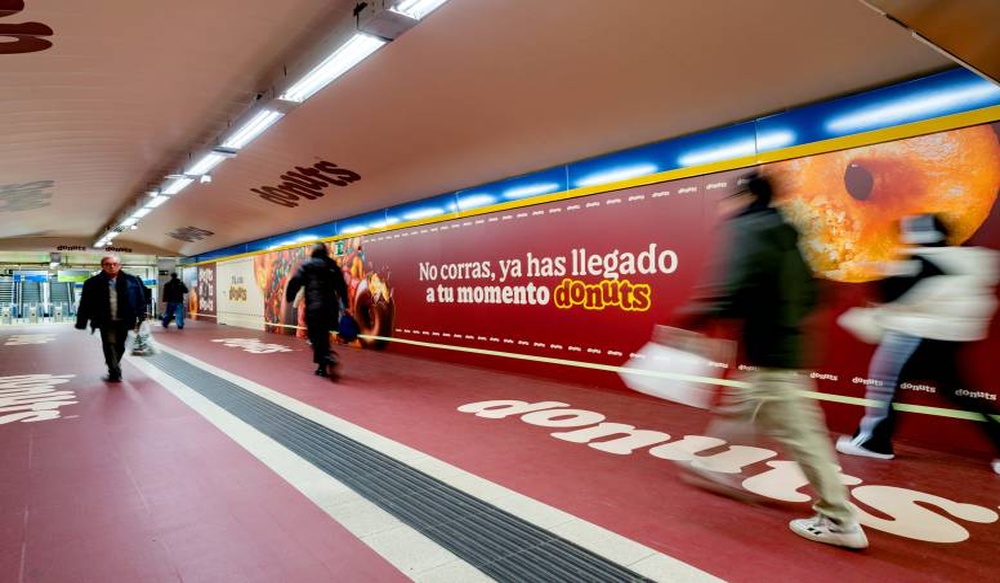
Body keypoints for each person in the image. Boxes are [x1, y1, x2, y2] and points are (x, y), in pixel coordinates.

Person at [673, 172, 868, 550]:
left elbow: (733, 287)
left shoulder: (750, 229)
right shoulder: (788, 233)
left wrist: (691, 321)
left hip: (774, 353)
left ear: (745, 197)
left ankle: (839, 517)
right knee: (744, 406)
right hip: (784, 347)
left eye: (729, 199)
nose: (724, 207)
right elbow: (816, 292)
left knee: (804, 436)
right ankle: (712, 465)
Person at [836, 214, 1000, 474]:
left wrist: (883, 272)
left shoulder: (922, 261)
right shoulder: (966, 261)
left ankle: (873, 442)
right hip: (951, 338)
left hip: (913, 335)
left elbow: (891, 294)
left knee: (885, 387)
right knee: (963, 396)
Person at [74, 255, 149, 382]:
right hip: (104, 320)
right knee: (109, 344)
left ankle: (114, 364)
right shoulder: (92, 283)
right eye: (108, 264)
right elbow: (85, 303)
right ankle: (114, 370)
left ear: (120, 265)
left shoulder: (132, 280)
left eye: (114, 264)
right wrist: (82, 321)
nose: (111, 266)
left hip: (125, 319)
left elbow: (140, 299)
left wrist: (142, 315)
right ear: (102, 266)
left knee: (120, 345)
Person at [285, 243, 348, 378]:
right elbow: (341, 286)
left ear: (313, 252)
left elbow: (295, 281)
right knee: (323, 336)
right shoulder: (332, 265)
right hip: (330, 308)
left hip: (314, 309)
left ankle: (327, 357)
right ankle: (322, 367)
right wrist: (346, 303)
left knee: (314, 338)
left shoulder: (307, 265)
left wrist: (290, 296)